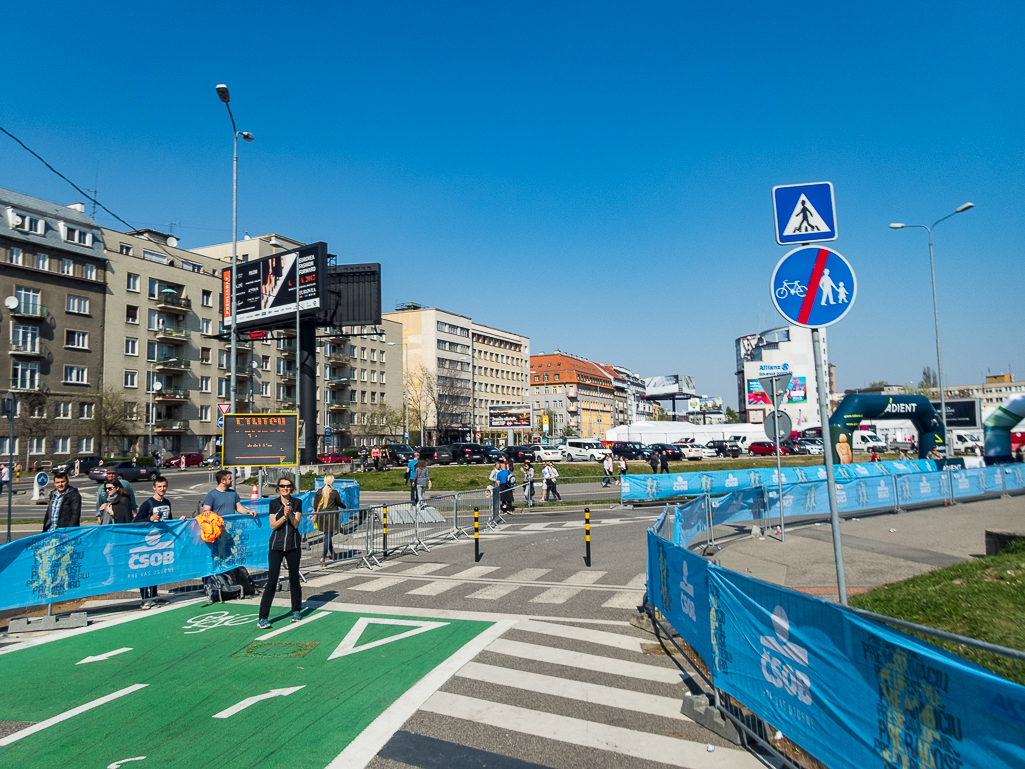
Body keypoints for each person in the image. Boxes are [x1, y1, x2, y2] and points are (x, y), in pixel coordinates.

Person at [256, 478, 304, 629]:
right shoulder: (273, 503)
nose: (285, 488)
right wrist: (283, 516)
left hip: (293, 545)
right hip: (276, 546)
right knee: (272, 581)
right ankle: (263, 617)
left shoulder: (297, 503)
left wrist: (290, 515)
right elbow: (273, 526)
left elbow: (296, 524)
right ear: (278, 488)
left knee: (294, 579)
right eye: (282, 486)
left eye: (288, 486)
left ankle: (296, 610)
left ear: (292, 488)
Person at [134, 476, 173, 609]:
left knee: (156, 571)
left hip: (162, 543)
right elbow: (136, 522)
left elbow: (170, 520)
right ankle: (145, 598)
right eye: (159, 487)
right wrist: (149, 518)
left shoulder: (167, 502)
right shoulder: (148, 504)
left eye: (164, 486)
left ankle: (154, 596)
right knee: (145, 571)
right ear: (154, 488)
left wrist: (181, 521)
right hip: (147, 543)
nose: (162, 489)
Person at [313, 475, 343, 564]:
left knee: (327, 535)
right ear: (332, 482)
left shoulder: (319, 492)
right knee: (328, 536)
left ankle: (333, 553)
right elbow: (339, 503)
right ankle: (323, 556)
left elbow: (315, 506)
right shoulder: (334, 492)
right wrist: (344, 506)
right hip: (331, 517)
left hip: (321, 516)